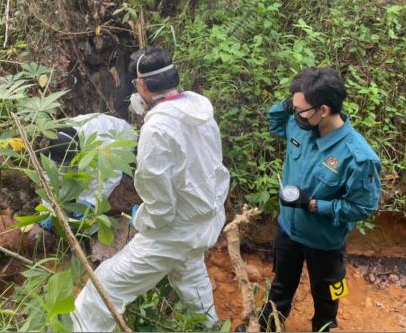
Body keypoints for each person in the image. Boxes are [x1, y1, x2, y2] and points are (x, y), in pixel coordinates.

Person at [71, 46, 230, 331]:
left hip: (174, 232)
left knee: (103, 288)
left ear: (141, 84)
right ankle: (210, 328)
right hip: (205, 220)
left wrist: (142, 218)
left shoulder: (157, 128)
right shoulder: (202, 112)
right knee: (191, 277)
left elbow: (160, 202)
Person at [258, 67, 381, 332]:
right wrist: (292, 103)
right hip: (288, 230)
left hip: (325, 243)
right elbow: (274, 120)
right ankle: (266, 328)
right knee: (280, 287)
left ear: (323, 110)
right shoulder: (299, 125)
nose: (295, 114)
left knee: (329, 295)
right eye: (294, 107)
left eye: (301, 109)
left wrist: (312, 204)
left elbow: (363, 207)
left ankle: (326, 326)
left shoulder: (358, 157)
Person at [38, 113, 137, 231]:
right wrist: (47, 209)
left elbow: (110, 178)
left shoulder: (97, 145)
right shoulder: (59, 142)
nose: (65, 166)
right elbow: (51, 176)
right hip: (92, 140)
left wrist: (88, 203)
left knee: (97, 183)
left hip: (123, 136)